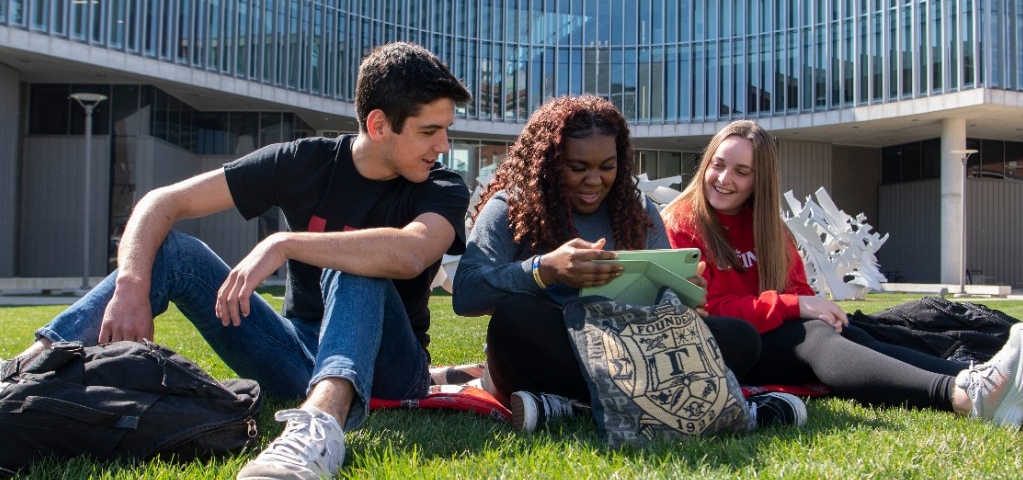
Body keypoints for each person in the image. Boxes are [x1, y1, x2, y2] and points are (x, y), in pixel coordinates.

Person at [9, 42, 472, 479]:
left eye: (445, 129)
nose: (443, 145)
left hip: (391, 369)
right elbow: (160, 202)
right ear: (377, 125)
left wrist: (282, 243)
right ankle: (24, 376)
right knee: (178, 254)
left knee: (356, 262)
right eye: (429, 131)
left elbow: (411, 253)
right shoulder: (302, 162)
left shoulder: (443, 186)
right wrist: (131, 286)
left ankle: (318, 430)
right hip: (297, 356)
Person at [452, 95, 805, 433]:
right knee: (513, 319)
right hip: (556, 346)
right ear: (549, 162)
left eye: (607, 167)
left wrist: (684, 296)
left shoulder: (636, 211)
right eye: (577, 168)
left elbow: (669, 311)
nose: (595, 180)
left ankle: (569, 405)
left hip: (630, 349)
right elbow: (467, 294)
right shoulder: (510, 206)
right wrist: (543, 270)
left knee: (741, 338)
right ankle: (661, 404)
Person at [661, 119, 1023, 426]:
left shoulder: (768, 228)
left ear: (760, 180)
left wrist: (808, 308)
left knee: (844, 331)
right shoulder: (679, 224)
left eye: (741, 172)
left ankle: (973, 380)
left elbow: (798, 290)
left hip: (772, 338)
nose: (724, 179)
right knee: (815, 339)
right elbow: (709, 310)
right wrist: (792, 306)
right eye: (717, 164)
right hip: (726, 347)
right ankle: (962, 395)